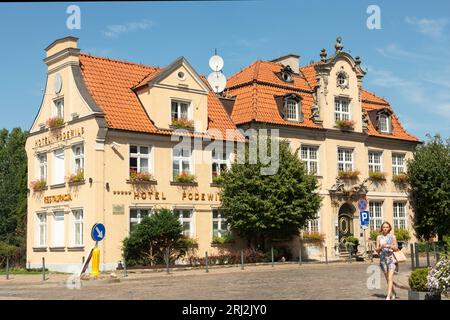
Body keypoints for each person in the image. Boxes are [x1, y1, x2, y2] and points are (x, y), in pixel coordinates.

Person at [375, 221, 398, 300]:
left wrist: (390, 246)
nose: (385, 228)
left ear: (389, 228)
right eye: (384, 227)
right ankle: (393, 292)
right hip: (383, 260)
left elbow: (396, 248)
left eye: (387, 227)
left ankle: (388, 296)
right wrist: (381, 247)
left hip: (391, 259)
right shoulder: (379, 237)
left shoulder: (393, 237)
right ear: (382, 228)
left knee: (390, 277)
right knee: (387, 279)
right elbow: (377, 250)